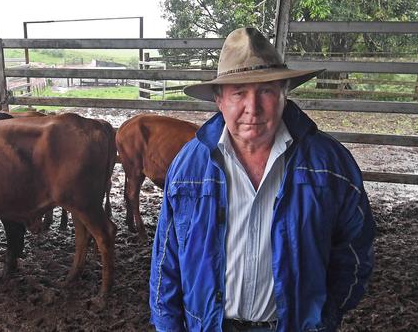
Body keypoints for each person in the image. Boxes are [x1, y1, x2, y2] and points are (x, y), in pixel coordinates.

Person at [149, 27, 375, 332]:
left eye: (266, 91)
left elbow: (354, 253)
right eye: (239, 93)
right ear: (219, 99)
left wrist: (324, 315)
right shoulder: (189, 167)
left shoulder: (330, 166)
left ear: (284, 92)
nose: (252, 108)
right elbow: (166, 258)